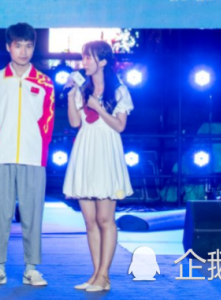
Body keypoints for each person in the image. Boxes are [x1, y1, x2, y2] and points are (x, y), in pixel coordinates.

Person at [0, 23, 54, 287]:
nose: (23, 51)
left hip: (33, 158)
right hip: (1, 157)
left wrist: (39, 150)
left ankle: (31, 268)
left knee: (32, 215)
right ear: (8, 47)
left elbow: (47, 123)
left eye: (28, 46)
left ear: (33, 48)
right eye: (18, 45)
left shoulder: (44, 82)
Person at [62, 41, 134, 293]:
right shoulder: (82, 90)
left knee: (105, 219)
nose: (85, 62)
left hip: (106, 152)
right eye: (84, 57)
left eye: (89, 57)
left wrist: (98, 107)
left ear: (103, 61)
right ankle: (96, 274)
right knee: (90, 220)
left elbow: (120, 126)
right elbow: (74, 123)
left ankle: (104, 275)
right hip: (85, 151)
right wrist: (71, 95)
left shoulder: (119, 90)